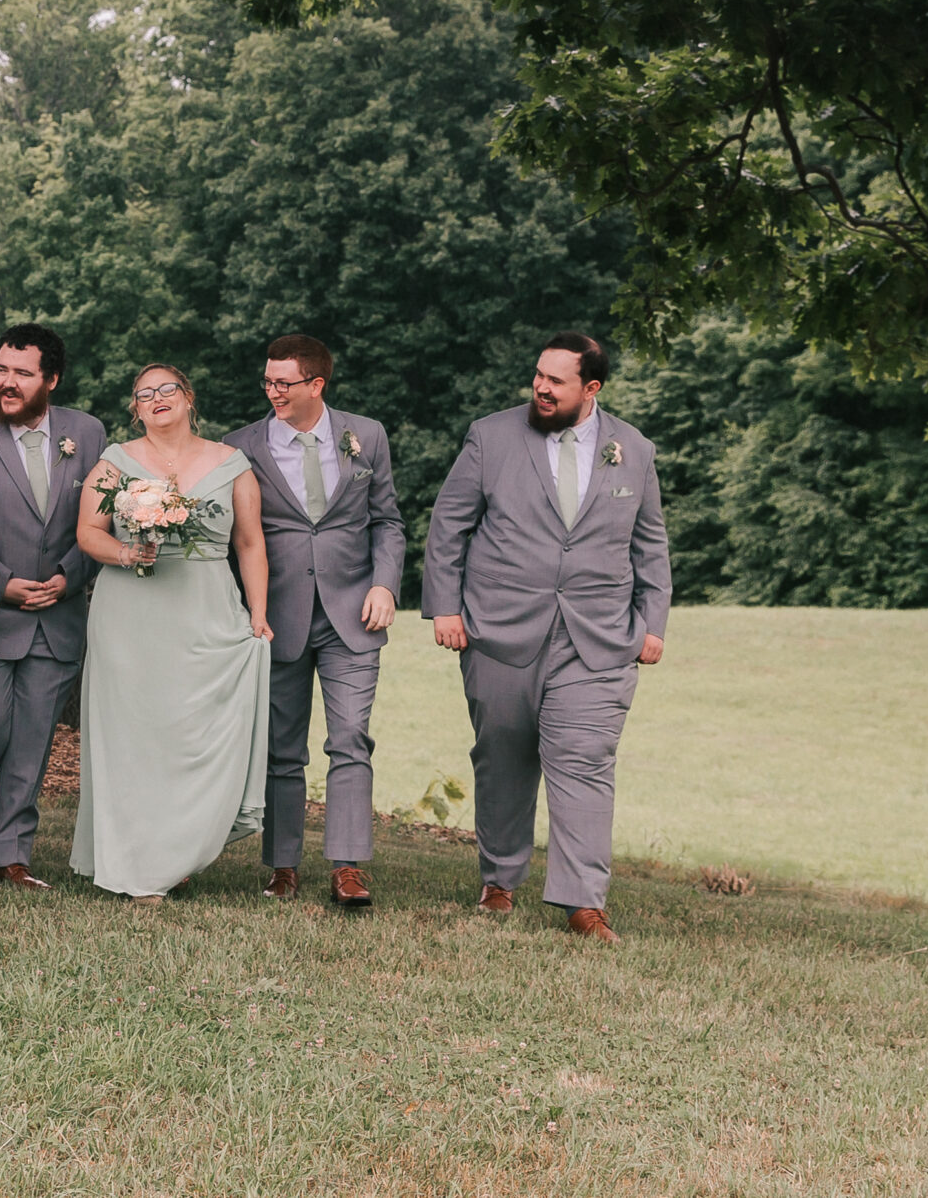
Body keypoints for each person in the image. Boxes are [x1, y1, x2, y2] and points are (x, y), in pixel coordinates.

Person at [423, 332, 671, 942]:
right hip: (500, 628)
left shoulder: (633, 449)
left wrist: (653, 623)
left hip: (598, 639)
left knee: (586, 763)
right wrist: (443, 609)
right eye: (539, 374)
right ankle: (500, 880)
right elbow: (449, 523)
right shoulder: (491, 436)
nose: (541, 386)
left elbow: (650, 542)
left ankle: (584, 903)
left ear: (592, 389)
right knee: (502, 754)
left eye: (556, 380)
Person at [71, 363, 273, 903]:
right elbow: (88, 531)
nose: (156, 399)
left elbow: (250, 544)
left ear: (188, 398)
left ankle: (180, 852)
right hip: (130, 613)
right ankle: (138, 866)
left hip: (206, 611)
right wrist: (124, 551)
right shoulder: (114, 463)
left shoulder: (232, 465)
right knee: (135, 737)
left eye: (167, 390)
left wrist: (258, 613)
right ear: (134, 409)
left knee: (190, 734)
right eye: (144, 394)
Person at [221, 334, 404, 910]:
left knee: (351, 738)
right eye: (268, 382)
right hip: (277, 616)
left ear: (317, 384)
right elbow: (233, 540)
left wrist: (385, 583)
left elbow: (388, 521)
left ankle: (347, 867)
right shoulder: (239, 447)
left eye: (285, 383)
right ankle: (281, 866)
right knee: (281, 748)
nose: (273, 391)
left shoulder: (365, 435)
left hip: (355, 615)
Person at [0, 323, 105, 889]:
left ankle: (9, 853)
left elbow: (100, 519)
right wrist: (4, 582)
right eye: (1, 369)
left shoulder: (88, 433)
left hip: (60, 614)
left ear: (52, 380)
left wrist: (69, 575)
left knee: (35, 739)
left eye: (21, 373)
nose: (7, 383)